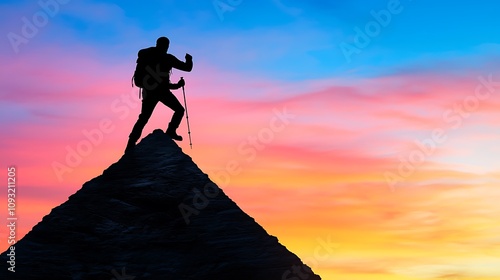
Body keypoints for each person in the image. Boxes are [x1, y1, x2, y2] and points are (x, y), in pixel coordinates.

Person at [126, 36, 193, 152]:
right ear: (165, 45)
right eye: (166, 45)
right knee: (179, 110)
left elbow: (161, 82)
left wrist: (176, 85)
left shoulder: (148, 57)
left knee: (144, 118)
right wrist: (189, 59)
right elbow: (187, 68)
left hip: (150, 92)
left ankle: (131, 143)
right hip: (162, 92)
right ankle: (171, 131)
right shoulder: (168, 58)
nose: (167, 47)